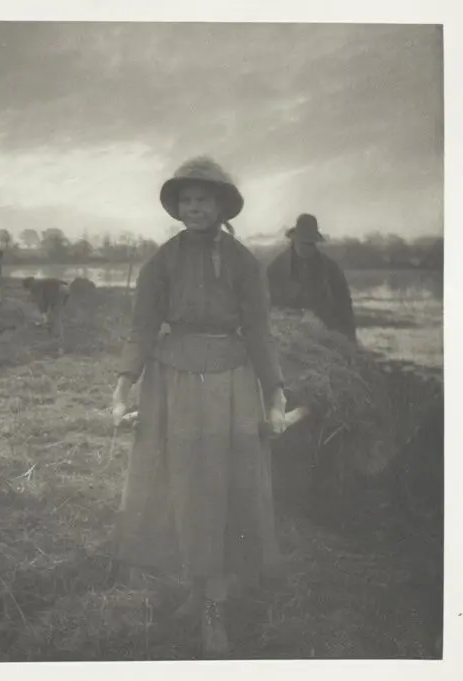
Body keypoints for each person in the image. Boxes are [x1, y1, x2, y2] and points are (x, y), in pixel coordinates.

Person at [110, 156, 287, 658]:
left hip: (231, 384)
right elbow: (143, 326)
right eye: (187, 200)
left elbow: (257, 331)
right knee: (180, 486)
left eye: (204, 200)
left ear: (221, 206)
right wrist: (124, 384)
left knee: (223, 488)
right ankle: (195, 590)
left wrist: (274, 391)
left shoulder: (243, 263)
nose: (194, 208)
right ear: (177, 207)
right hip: (172, 384)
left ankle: (215, 611)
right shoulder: (161, 261)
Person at [266, 214, 356, 341]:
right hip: (288, 333)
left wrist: (350, 338)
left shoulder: (330, 269)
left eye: (311, 244)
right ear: (294, 239)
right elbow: (266, 305)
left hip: (324, 332)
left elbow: (345, 306)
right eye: (303, 243)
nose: (307, 248)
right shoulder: (276, 268)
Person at [22, 276, 70, 352]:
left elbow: (41, 300)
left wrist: (43, 314)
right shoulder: (40, 282)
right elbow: (47, 297)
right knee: (55, 314)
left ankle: (59, 341)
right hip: (64, 289)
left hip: (60, 291)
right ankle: (56, 335)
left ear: (29, 285)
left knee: (56, 316)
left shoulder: (35, 286)